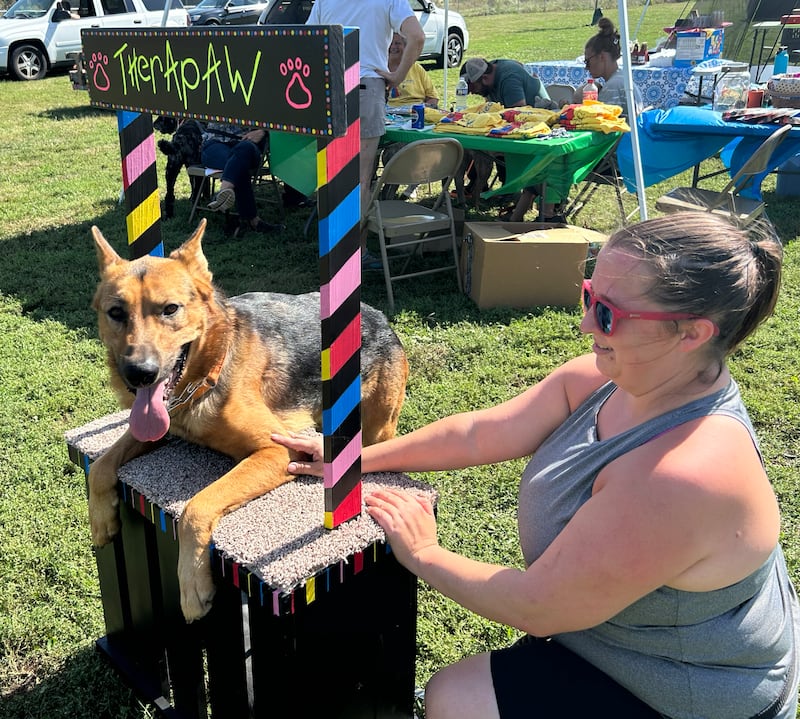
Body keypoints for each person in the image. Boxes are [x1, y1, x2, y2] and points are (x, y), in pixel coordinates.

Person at [273, 213, 800, 719]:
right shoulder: (614, 377)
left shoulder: (683, 475)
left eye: (609, 314)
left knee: (454, 699)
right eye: (590, 295)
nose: (584, 323)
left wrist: (424, 553)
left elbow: (539, 607)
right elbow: (483, 433)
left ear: (693, 333)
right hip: (613, 634)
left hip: (689, 688)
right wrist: (353, 456)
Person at [306, 1, 425, 270]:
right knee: (360, 179)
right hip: (365, 86)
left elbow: (308, 41)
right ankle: (354, 256)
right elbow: (417, 37)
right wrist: (398, 75)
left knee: (333, 176)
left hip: (329, 88)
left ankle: (334, 252)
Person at [460, 57, 560, 223]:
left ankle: (515, 196)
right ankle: (501, 193)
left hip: (537, 128)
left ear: (484, 78)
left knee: (496, 148)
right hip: (522, 127)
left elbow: (517, 115)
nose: (471, 92)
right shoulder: (489, 71)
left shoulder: (509, 79)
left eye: (473, 87)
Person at [200, 123, 283, 237]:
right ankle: (253, 221)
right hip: (215, 143)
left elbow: (282, 116)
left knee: (243, 152)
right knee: (238, 164)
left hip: (248, 144)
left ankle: (224, 192)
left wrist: (264, 131)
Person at [573, 17, 644, 119]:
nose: (586, 68)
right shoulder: (621, 78)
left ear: (602, 57)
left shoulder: (612, 87)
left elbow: (601, 125)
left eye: (587, 61)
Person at [386, 32, 438, 108]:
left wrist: (426, 109)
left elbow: (432, 97)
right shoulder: (380, 69)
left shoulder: (417, 68)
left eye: (397, 43)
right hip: (389, 113)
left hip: (417, 111)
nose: (393, 46)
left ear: (406, 47)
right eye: (390, 43)